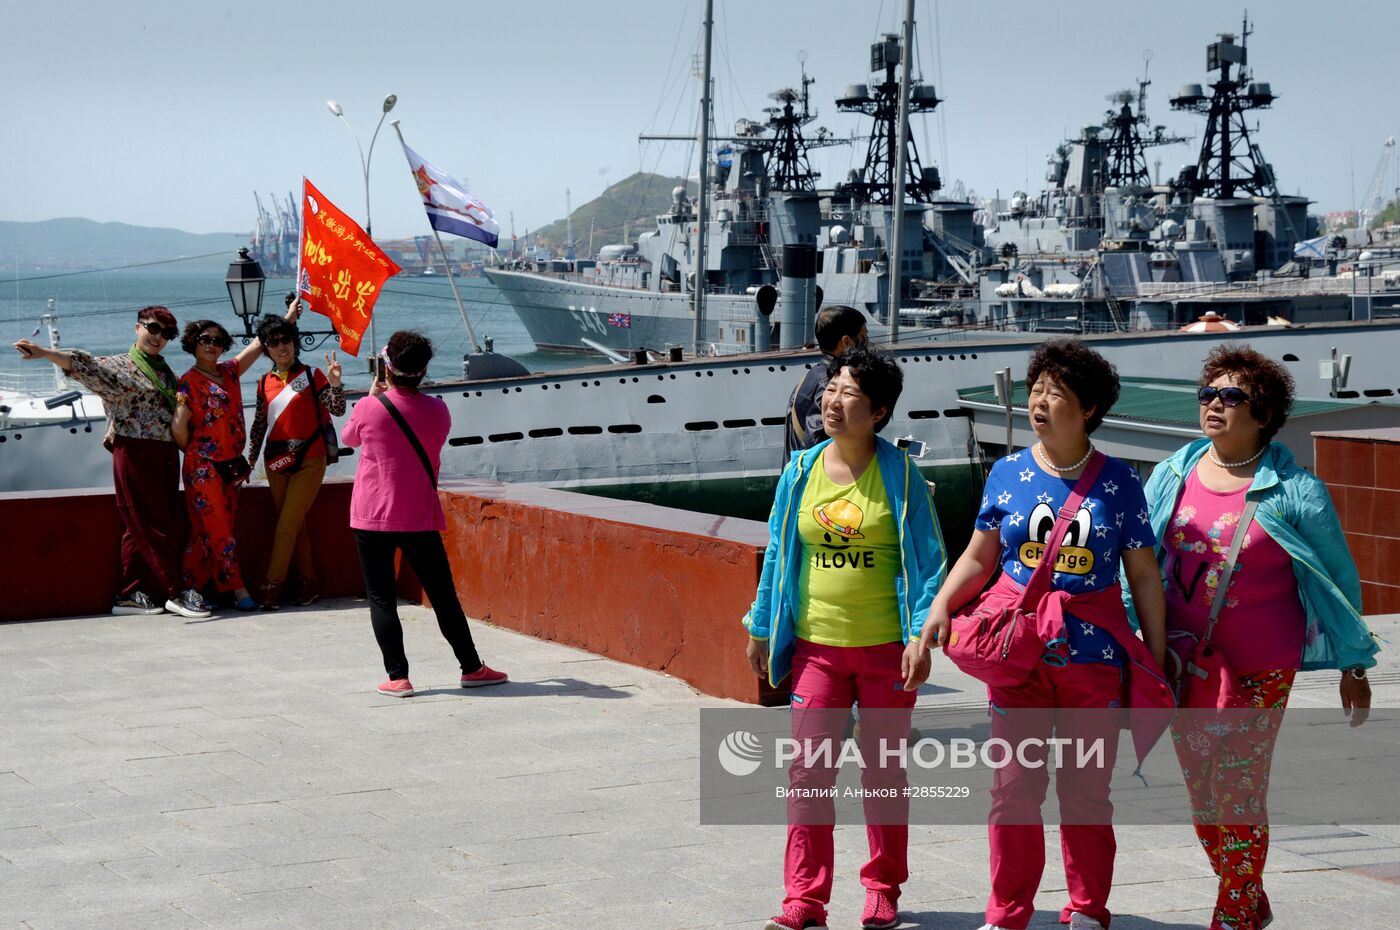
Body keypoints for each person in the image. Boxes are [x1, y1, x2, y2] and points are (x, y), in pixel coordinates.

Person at [920, 338, 1171, 930]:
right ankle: (1007, 913)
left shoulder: (1120, 483)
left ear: (1087, 409)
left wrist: (1155, 657)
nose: (1039, 401)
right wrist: (940, 606)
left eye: (1054, 393)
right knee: (1014, 791)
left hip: (1094, 661)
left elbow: (1143, 573)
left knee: (1086, 794)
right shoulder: (1007, 472)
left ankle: (1087, 909)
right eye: (1036, 390)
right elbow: (981, 557)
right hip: (1019, 658)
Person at [1131, 344, 1378, 930]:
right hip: (1182, 661)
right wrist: (1136, 641)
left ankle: (1234, 913)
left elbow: (1340, 580)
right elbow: (1136, 563)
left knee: (1238, 789)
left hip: (1262, 666)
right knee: (1200, 795)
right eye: (1208, 394)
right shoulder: (1173, 473)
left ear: (1263, 413)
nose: (1214, 405)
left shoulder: (1297, 491)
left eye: (1231, 396)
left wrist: (1355, 665)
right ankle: (1247, 891)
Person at [743, 348, 947, 930]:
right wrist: (761, 625)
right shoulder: (800, 470)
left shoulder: (902, 475)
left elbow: (931, 561)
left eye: (849, 393)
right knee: (809, 773)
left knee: (883, 774)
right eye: (832, 388)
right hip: (817, 652)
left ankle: (883, 885)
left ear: (879, 411)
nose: (833, 400)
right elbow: (782, 551)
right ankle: (804, 897)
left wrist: (919, 639)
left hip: (887, 652)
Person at [13, 307, 210, 619]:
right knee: (153, 525)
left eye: (167, 334)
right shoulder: (121, 366)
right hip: (135, 451)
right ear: (137, 327)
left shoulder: (162, 371)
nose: (159, 338)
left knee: (142, 525)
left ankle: (130, 593)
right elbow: (84, 365)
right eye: (154, 328)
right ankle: (176, 592)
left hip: (164, 453)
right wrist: (45, 352)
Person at [341, 330, 507, 697]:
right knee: (443, 596)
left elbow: (349, 439)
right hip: (418, 514)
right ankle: (472, 667)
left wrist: (374, 395)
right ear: (423, 369)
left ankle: (398, 676)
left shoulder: (370, 407)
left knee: (381, 597)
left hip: (371, 516)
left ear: (388, 369)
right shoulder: (438, 410)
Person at [171, 315, 280, 612]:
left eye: (218, 341)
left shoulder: (229, 373)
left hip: (231, 466)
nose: (211, 345)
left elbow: (257, 346)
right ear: (193, 343)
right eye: (205, 339)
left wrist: (288, 317)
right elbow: (179, 427)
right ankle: (237, 589)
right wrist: (197, 453)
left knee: (207, 530)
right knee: (220, 530)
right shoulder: (188, 382)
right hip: (204, 468)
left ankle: (191, 588)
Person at [246, 310, 346, 610]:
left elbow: (338, 410)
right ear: (266, 348)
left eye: (286, 339)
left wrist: (336, 383)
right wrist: (250, 461)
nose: (281, 346)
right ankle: (308, 583)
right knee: (295, 525)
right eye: (273, 342)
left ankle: (272, 585)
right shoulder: (264, 381)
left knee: (286, 526)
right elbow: (259, 425)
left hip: (310, 460)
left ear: (295, 342)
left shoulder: (314, 376)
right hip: (275, 463)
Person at [783, 304, 868, 461]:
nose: (868, 345)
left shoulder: (814, 374)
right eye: (864, 337)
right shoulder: (830, 381)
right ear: (847, 342)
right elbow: (816, 440)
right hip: (814, 482)